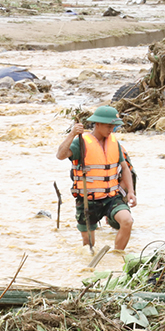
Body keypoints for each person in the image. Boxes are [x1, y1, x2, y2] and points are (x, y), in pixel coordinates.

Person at [56, 106, 136, 252]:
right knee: (89, 244)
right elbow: (60, 155)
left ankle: (117, 255)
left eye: (113, 126)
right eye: (108, 126)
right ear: (97, 124)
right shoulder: (81, 142)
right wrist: (72, 134)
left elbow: (124, 168)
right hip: (88, 200)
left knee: (127, 221)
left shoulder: (114, 143)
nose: (111, 129)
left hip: (111, 197)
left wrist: (130, 191)